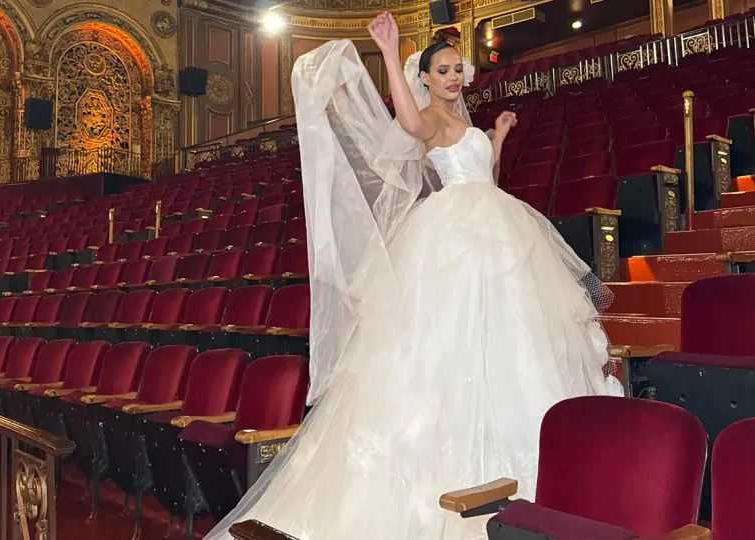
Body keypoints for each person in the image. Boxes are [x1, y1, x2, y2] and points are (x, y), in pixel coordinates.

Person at [205, 12, 622, 540]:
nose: (452, 77)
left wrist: (495, 137)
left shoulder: (463, 123)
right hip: (456, 233)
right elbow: (405, 122)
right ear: (424, 78)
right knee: (448, 342)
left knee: (510, 337)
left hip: (494, 221)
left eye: (456, 69)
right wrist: (388, 52)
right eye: (441, 70)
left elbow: (485, 176)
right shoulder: (427, 117)